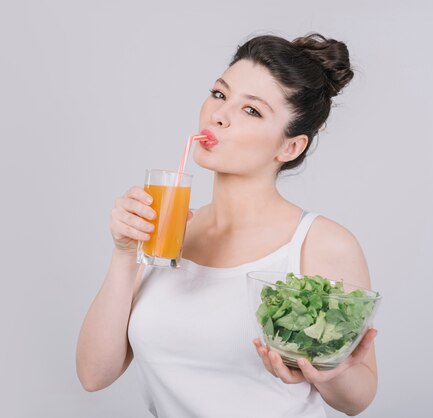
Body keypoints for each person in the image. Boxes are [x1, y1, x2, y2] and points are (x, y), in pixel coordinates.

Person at [76, 33, 378, 417]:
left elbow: (359, 398)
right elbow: (93, 375)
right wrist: (125, 254)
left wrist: (326, 372)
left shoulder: (321, 244)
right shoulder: (168, 234)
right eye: (220, 94)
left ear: (290, 148)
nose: (218, 114)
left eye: (251, 110)